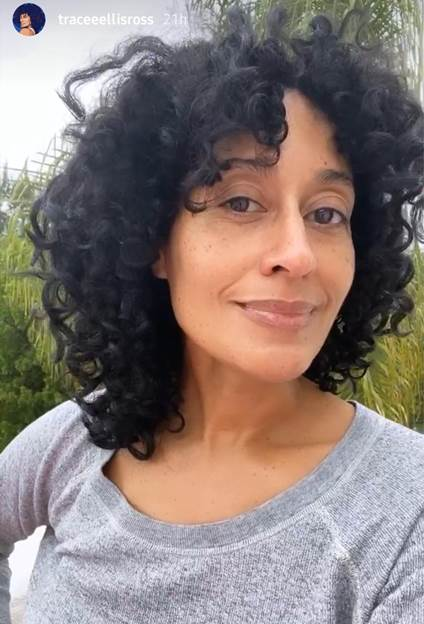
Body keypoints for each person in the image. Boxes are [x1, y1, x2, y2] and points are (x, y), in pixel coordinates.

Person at [1, 4, 423, 623]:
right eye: (241, 201)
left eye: (327, 213)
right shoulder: (76, 441)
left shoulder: (406, 516)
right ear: (152, 241)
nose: (299, 254)